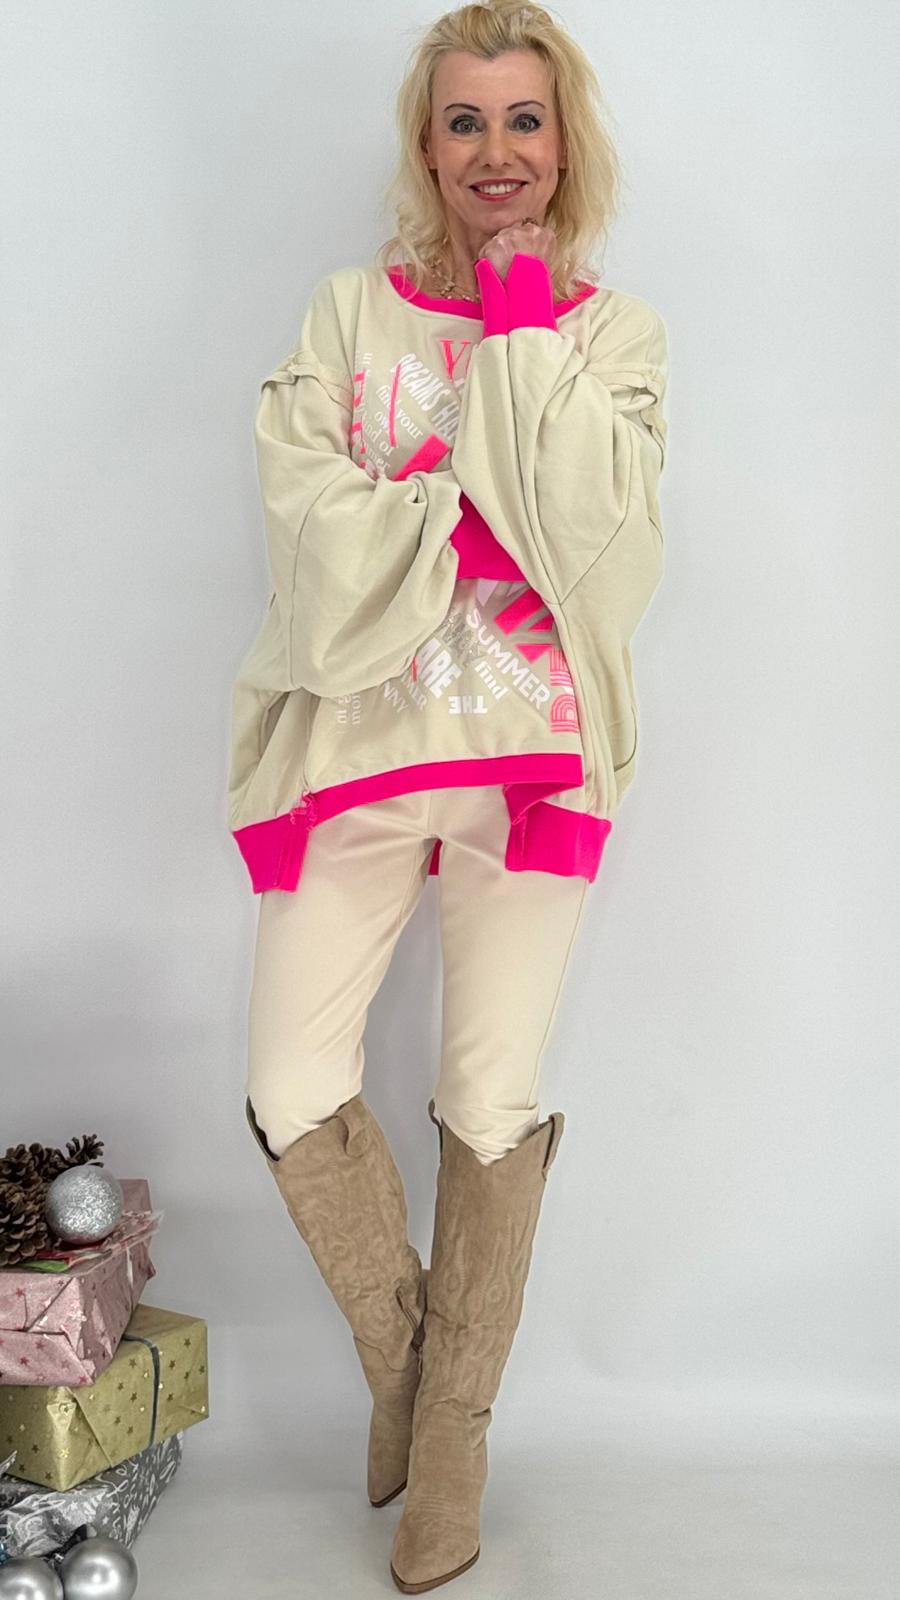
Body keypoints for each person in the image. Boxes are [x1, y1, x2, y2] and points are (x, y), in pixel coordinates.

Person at [230, 1, 670, 1590]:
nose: (498, 152)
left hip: (531, 774)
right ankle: (414, 1373)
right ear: (426, 144)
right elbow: (305, 524)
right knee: (291, 1081)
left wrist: (520, 320)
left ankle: (452, 1454)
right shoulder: (347, 314)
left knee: (490, 1100)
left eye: (525, 120)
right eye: (466, 121)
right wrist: (484, 532)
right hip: (360, 750)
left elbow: (603, 553)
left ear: (566, 141)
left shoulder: (611, 334)